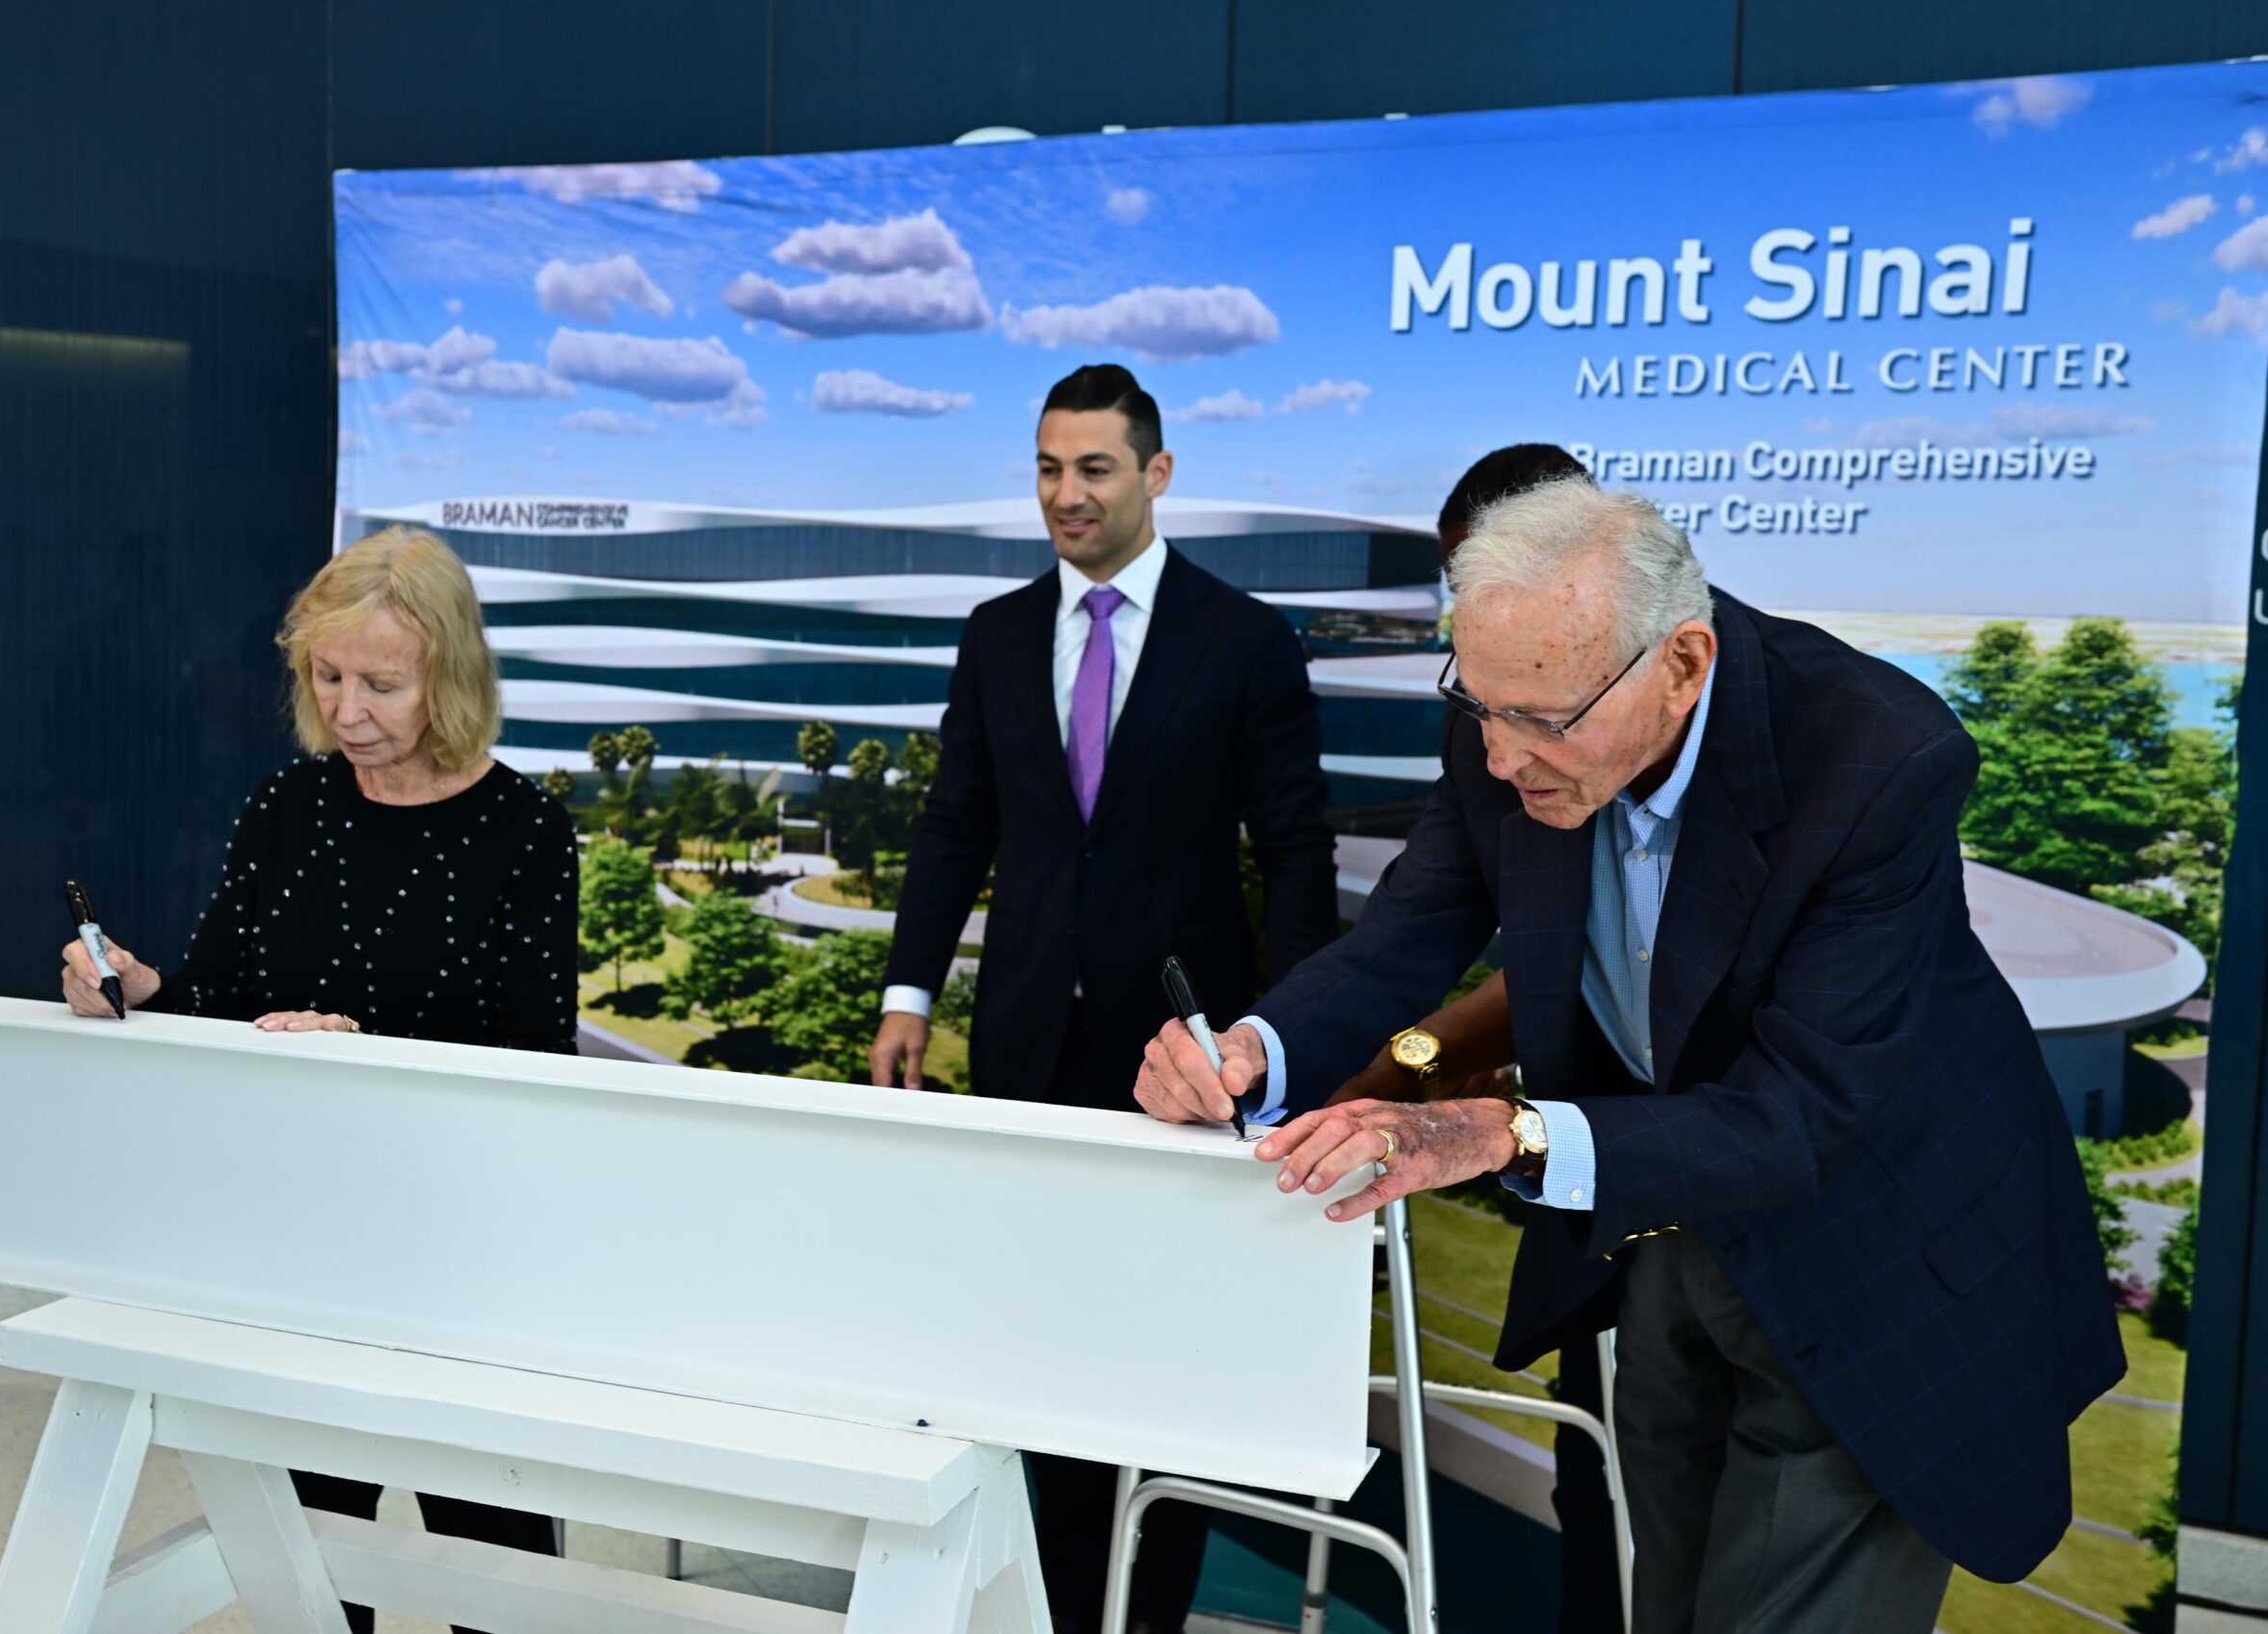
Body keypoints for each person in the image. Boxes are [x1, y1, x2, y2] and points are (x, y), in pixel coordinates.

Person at [1132, 478, 2123, 1634]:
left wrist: (1501, 1128)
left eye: (1542, 724)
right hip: (1668, 1231)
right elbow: (1404, 940)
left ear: (1682, 664)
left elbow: (1800, 1112)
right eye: (1479, 709)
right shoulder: (1516, 711)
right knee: (1665, 1602)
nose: (1502, 759)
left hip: (1875, 1250)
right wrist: (1250, 1050)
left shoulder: (1874, 758)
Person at [869, 363, 1337, 1634]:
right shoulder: (996, 631)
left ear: (1157, 474)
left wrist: (1279, 1046)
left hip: (1183, 1068)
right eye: (1046, 468)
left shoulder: (1243, 641)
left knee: (1153, 1367)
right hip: (1021, 1042)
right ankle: (1027, 1598)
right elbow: (956, 824)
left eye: (1092, 469)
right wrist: (910, 988)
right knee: (1018, 1344)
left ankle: (1143, 1612)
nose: (1064, 495)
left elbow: (1297, 852)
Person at [58, 525, 578, 1634]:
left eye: (382, 683)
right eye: (327, 676)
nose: (348, 711)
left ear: (450, 673)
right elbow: (221, 989)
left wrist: (360, 1044)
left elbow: (538, 1065)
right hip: (298, 1243)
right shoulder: (286, 807)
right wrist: (142, 989)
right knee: (307, 1554)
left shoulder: (527, 830)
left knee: (492, 1552)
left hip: (462, 1254)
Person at [1327, 442, 1624, 1634]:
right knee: (1596, 1513)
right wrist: (1279, 1059)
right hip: (1593, 1215)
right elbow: (1418, 926)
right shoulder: (1482, 729)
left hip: (1749, 1211)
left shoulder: (1768, 738)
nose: (1505, 734)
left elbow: (1601, 977)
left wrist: (1414, 1082)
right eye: (1465, 599)